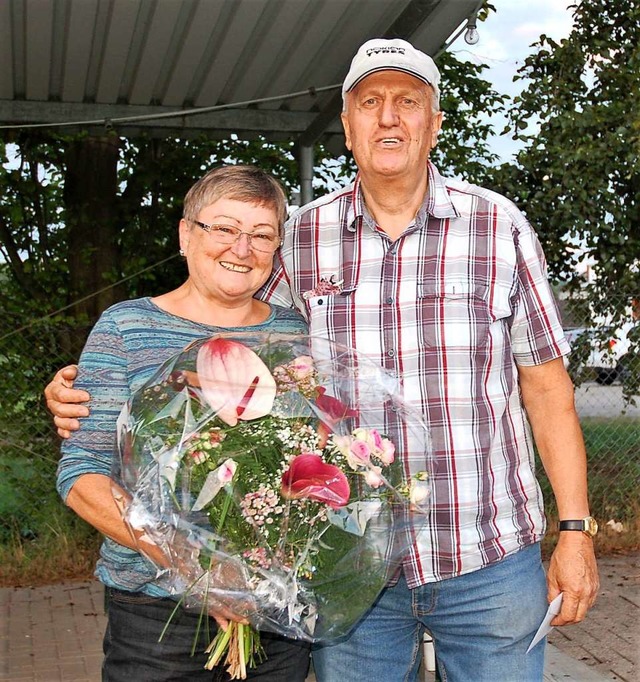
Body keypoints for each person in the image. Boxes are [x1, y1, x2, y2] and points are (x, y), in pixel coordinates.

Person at [46, 39, 599, 682]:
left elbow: (547, 388)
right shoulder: (300, 237)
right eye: (370, 102)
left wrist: (576, 530)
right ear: (347, 123)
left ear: (435, 121)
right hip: (345, 568)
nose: (388, 117)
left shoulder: (499, 227)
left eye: (407, 101)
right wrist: (87, 393)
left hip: (486, 556)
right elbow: (237, 358)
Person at [52, 165, 311, 682]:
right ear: (186, 234)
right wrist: (196, 568)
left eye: (262, 235)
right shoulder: (127, 326)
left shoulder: (297, 333)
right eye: (224, 228)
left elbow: (316, 455)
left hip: (273, 610)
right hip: (155, 617)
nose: (242, 248)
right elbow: (81, 478)